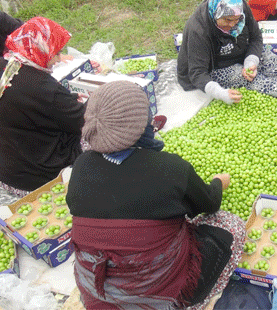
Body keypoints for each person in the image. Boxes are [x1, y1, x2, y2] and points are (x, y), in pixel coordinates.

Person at [67, 80, 246, 310]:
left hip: (96, 291)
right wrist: (218, 183)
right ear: (140, 127)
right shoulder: (169, 169)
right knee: (231, 225)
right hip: (157, 295)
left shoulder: (81, 166)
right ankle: (189, 304)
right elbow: (209, 204)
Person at [0, 17, 84, 196]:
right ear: (41, 50)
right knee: (100, 132)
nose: (58, 59)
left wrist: (67, 100)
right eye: (56, 53)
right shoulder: (42, 87)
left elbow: (31, 105)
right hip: (40, 178)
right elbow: (83, 120)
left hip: (7, 174)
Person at [178, 0, 277, 103]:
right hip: (212, 68)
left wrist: (250, 62)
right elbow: (197, 73)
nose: (232, 24)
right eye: (227, 20)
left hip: (236, 52)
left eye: (236, 20)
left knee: (265, 55)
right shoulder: (199, 30)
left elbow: (256, 38)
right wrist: (219, 92)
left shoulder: (241, 10)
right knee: (241, 76)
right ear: (216, 14)